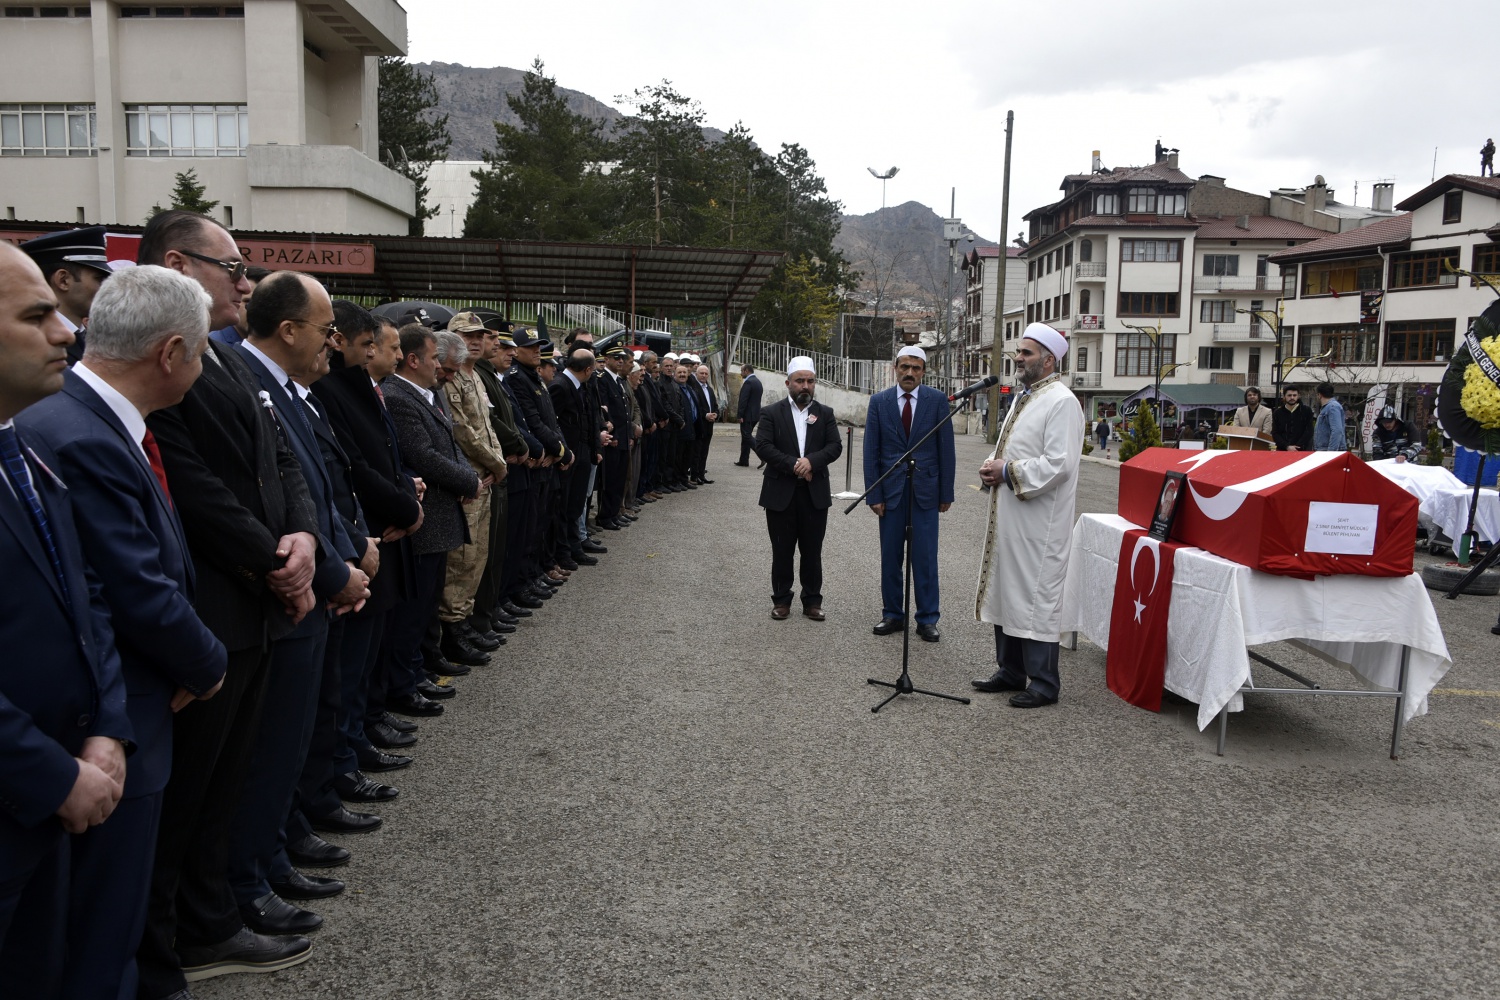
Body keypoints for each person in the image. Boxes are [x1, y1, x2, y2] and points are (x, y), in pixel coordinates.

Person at [17, 264, 229, 998]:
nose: (62, 334)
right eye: (201, 351)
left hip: (114, 722)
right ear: (171, 354)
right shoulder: (77, 435)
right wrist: (208, 663)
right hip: (101, 732)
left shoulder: (87, 425)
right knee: (96, 940)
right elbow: (129, 589)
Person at [135, 211, 321, 996]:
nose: (244, 283)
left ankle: (212, 918)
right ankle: (175, 939)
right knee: (189, 795)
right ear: (177, 264)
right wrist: (273, 558)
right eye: (232, 267)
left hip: (257, 600)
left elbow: (277, 455)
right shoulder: (161, 359)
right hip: (219, 600)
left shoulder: (223, 359)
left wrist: (305, 536)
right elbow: (196, 487)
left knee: (225, 783)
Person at [0, 242, 132, 997]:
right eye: (35, 314)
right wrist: (54, 776)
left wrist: (108, 728)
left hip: (62, 791)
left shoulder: (23, 449)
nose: (63, 332)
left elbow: (87, 601)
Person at [971, 323, 1085, 709]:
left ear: (1049, 360)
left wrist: (1006, 471)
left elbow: (1059, 464)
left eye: (1027, 353)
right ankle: (1010, 670)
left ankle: (1044, 683)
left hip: (1040, 522)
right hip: (1011, 516)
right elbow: (1013, 448)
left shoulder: (1062, 401)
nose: (1018, 358)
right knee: (1008, 590)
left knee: (1036, 596)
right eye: (1018, 352)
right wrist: (993, 467)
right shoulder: (1026, 397)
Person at [863, 345, 956, 642]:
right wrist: (873, 494)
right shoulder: (879, 402)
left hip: (926, 492)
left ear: (923, 372)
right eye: (904, 367)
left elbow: (946, 450)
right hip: (890, 493)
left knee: (925, 558)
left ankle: (927, 618)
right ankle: (892, 614)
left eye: (916, 368)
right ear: (895, 368)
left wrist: (947, 493)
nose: (909, 373)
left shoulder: (937, 401)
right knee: (891, 557)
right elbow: (871, 451)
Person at [754, 357, 843, 621]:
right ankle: (781, 600)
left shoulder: (825, 413)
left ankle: (812, 601)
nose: (805, 386)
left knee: (812, 551)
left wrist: (811, 462)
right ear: (788, 383)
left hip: (814, 493)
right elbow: (764, 446)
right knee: (782, 550)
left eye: (810, 381)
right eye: (800, 381)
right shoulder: (771, 412)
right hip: (780, 492)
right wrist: (794, 464)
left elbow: (835, 446)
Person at [18, 224, 118, 365]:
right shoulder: (36, 346)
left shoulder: (87, 338)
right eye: (99, 279)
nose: (106, 288)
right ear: (63, 280)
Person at [692, 363, 719, 484]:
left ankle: (701, 474)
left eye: (706, 373)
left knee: (705, 451)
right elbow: (696, 406)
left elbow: (714, 406)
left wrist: (715, 414)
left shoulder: (709, 389)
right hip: (699, 424)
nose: (703, 375)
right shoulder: (694, 388)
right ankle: (694, 475)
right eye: (701, 373)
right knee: (697, 451)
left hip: (709, 425)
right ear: (696, 374)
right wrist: (705, 415)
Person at [1272, 385, 1314, 452]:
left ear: (1298, 396)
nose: (1292, 397)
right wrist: (1287, 446)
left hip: (1302, 450)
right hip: (1283, 450)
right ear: (1284, 396)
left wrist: (1297, 447)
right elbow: (1275, 433)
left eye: (1294, 395)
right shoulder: (1278, 413)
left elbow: (1309, 431)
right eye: (1289, 395)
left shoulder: (1306, 410)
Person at [736, 363, 763, 467]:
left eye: (741, 371)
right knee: (745, 436)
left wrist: (739, 415)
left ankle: (763, 455)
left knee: (747, 436)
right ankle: (743, 460)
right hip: (755, 415)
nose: (741, 373)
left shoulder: (748, 383)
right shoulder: (758, 382)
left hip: (747, 415)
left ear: (746, 371)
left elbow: (743, 401)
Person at [1313, 383, 1346, 451]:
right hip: (1324, 449)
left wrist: (1331, 452)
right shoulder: (1329, 407)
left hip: (1328, 450)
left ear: (1319, 395)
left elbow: (1337, 430)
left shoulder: (1332, 407)